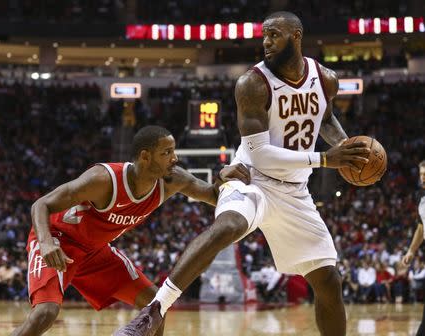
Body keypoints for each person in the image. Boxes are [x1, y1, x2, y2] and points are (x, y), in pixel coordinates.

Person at [119, 11, 370, 336]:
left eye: (274, 35)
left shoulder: (326, 79)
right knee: (230, 225)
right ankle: (154, 310)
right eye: (264, 36)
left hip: (294, 189)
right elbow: (259, 154)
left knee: (328, 280)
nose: (266, 42)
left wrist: (348, 148)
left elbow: (324, 119)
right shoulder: (252, 83)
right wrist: (326, 159)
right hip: (252, 177)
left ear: (296, 36)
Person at [11, 125, 250, 336]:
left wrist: (222, 177)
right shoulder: (104, 179)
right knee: (46, 313)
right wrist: (46, 243)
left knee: (156, 305)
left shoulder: (173, 180)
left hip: (95, 252)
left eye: (173, 151)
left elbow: (214, 196)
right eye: (166, 153)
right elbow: (41, 204)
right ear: (145, 157)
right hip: (59, 241)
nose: (175, 158)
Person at [401, 160, 425, 335]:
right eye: (421, 174)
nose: (423, 178)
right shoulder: (422, 199)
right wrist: (411, 250)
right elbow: (421, 226)